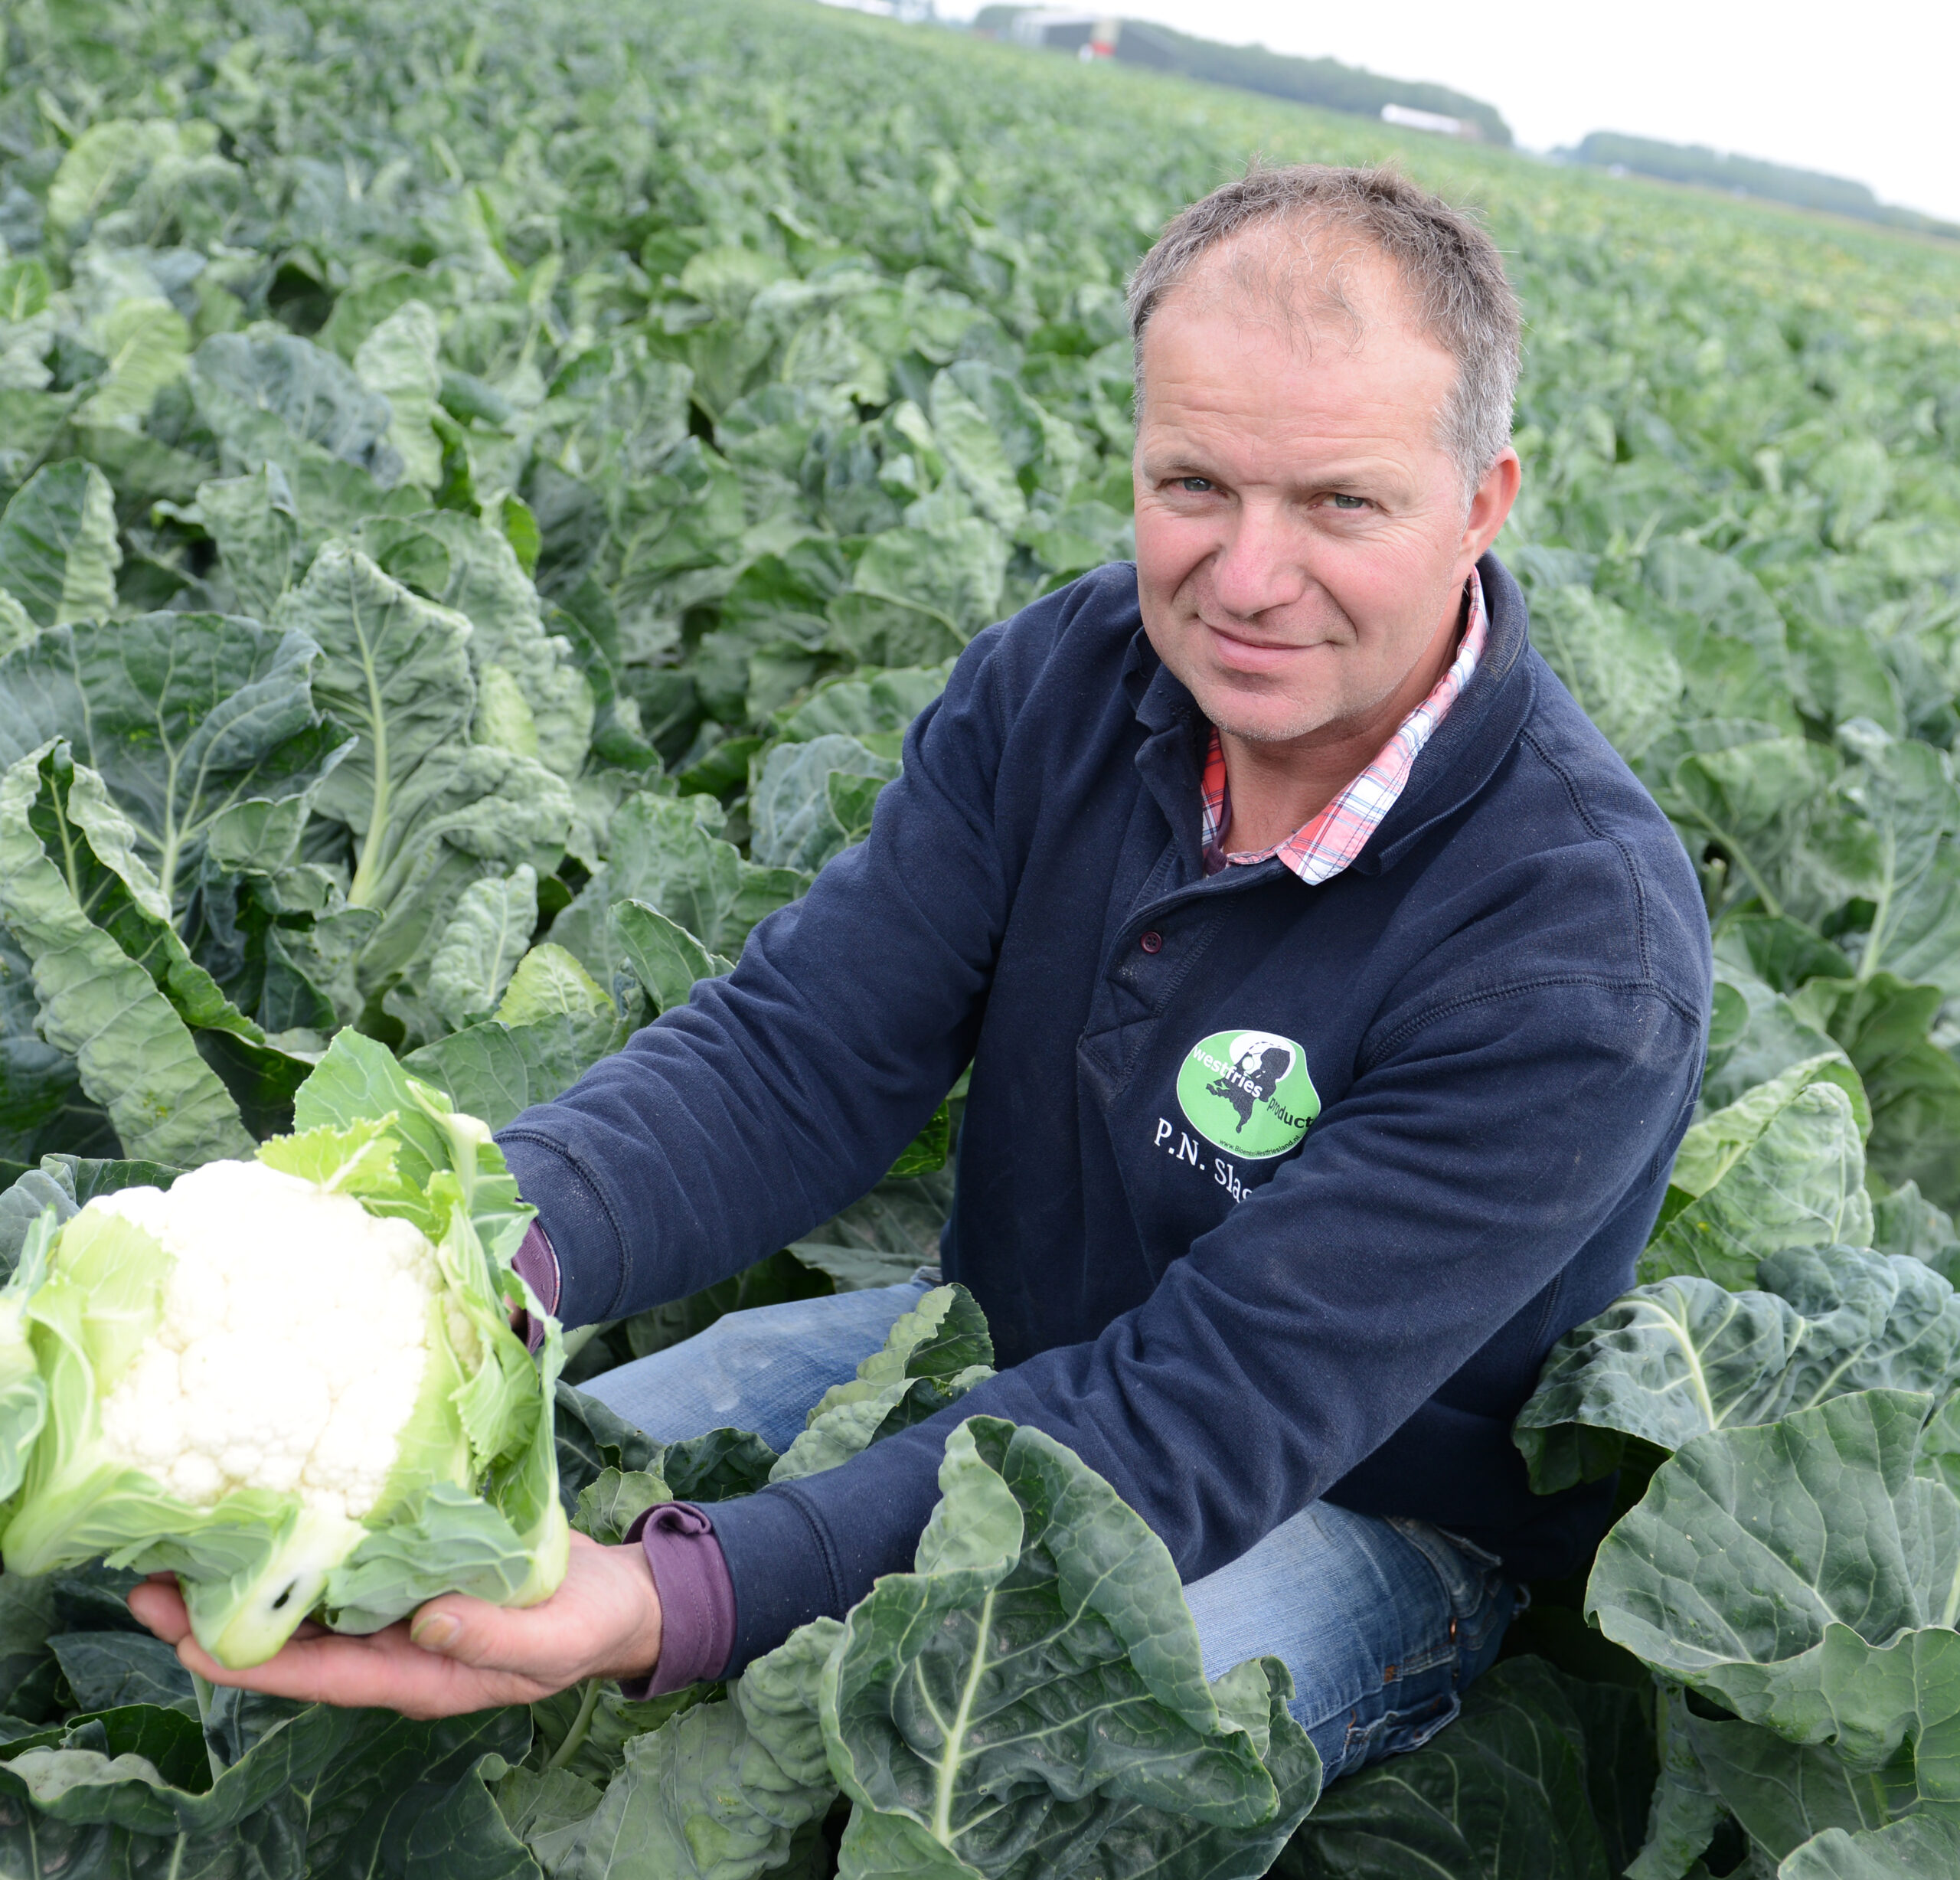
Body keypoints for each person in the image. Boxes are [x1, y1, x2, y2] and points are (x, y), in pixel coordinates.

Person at [133, 165, 1712, 1782]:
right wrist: (453, 1257)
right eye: (1191, 485)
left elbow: (1202, 1409)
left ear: (1480, 501)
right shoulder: (1066, 679)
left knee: (994, 1751)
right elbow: (797, 1057)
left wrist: (674, 1598)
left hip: (1351, 1498)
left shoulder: (1574, 952)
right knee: (525, 1475)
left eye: (1337, 504)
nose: (1244, 575)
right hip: (990, 1331)